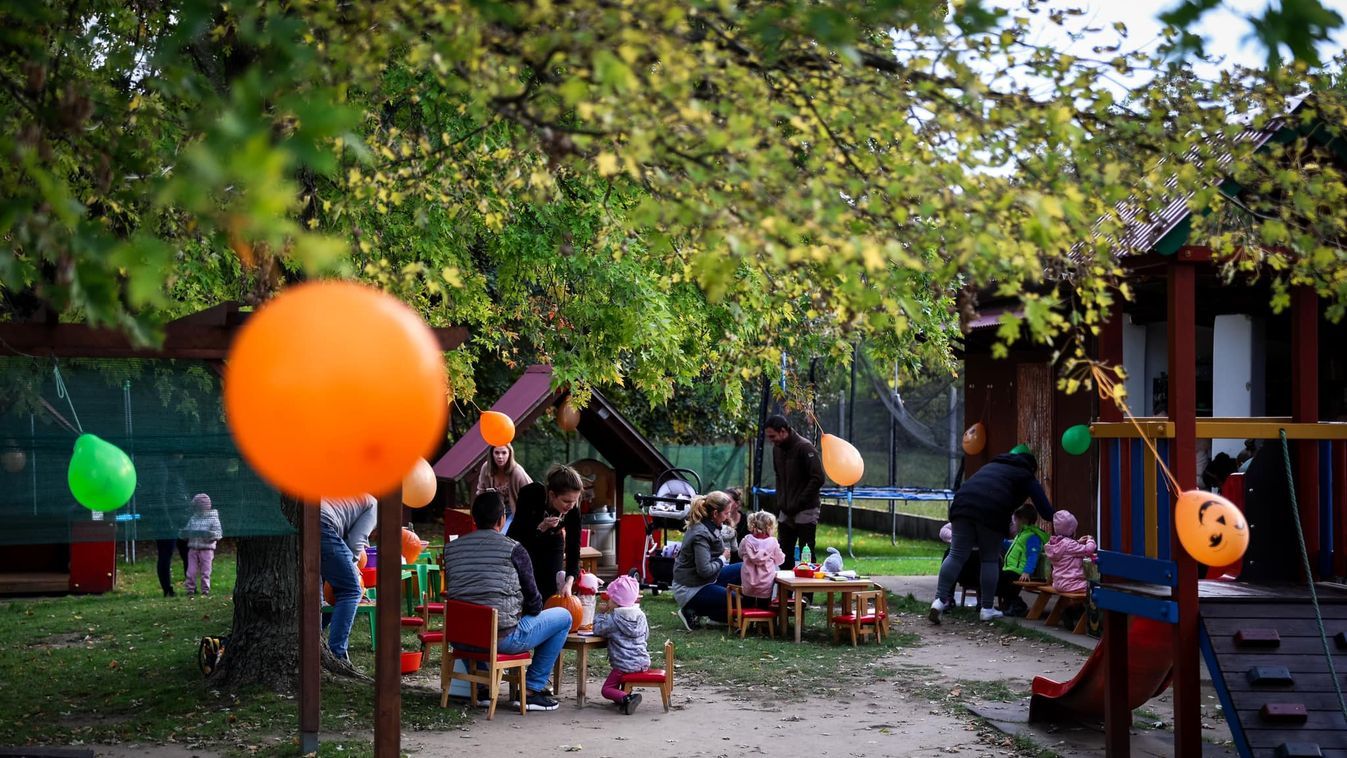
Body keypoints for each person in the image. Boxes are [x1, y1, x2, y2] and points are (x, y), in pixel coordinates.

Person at [444, 490, 569, 712]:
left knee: (480, 617)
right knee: (564, 616)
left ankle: (482, 688)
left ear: (474, 518)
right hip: (501, 639)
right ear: (502, 519)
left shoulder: (451, 549)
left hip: (461, 637)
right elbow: (534, 601)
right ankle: (531, 689)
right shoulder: (514, 548)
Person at [930, 449, 1054, 624]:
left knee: (956, 555)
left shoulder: (992, 465)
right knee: (989, 559)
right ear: (1031, 467)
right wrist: (1059, 517)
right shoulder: (1025, 475)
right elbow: (1046, 511)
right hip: (991, 512)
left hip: (961, 505)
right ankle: (987, 608)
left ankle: (939, 600)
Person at [508, 464, 584, 599]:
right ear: (552, 495)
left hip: (553, 542)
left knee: (550, 588)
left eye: (574, 501)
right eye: (566, 501)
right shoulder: (530, 494)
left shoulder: (573, 508)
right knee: (528, 586)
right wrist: (540, 528)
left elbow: (574, 546)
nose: (571, 506)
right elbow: (515, 535)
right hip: (526, 542)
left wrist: (569, 581)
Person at [671, 490, 743, 630]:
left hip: (706, 579)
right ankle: (690, 609)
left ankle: (718, 616)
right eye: (726, 513)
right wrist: (723, 558)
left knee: (744, 568)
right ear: (715, 513)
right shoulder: (700, 534)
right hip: (691, 588)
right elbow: (704, 570)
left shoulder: (710, 524)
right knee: (737, 600)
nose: (728, 516)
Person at [319, 494, 377, 664]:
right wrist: (353, 572)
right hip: (323, 525)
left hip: (303, 522)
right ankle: (337, 656)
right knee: (350, 590)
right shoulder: (374, 504)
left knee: (321, 598)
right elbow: (355, 543)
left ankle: (311, 645)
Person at [764, 415, 824, 568]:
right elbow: (778, 476)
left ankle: (807, 591)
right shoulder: (777, 450)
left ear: (783, 431)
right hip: (786, 509)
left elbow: (818, 478)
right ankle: (786, 592)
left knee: (806, 552)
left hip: (805, 509)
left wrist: (800, 501)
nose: (771, 440)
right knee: (783, 553)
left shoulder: (805, 447)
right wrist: (781, 501)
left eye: (773, 436)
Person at [593, 574, 650, 715]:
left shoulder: (613, 619)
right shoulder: (640, 615)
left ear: (616, 601)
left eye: (611, 598)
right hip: (642, 661)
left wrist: (601, 614)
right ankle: (622, 699)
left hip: (623, 664)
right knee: (617, 682)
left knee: (606, 689)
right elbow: (646, 635)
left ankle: (627, 698)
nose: (609, 601)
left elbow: (598, 630)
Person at [997, 503, 1049, 616]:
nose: (1014, 523)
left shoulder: (1032, 536)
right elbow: (1013, 548)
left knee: (1007, 586)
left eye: (1016, 520)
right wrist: (1000, 542)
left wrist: (1027, 571)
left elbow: (1033, 555)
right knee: (1004, 585)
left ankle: (1018, 606)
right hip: (1011, 568)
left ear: (1024, 520)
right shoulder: (1022, 534)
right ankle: (1011, 605)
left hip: (1018, 571)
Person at [153, 457, 191, 597]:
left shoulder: (177, 472)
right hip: (167, 521)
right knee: (166, 555)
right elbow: (160, 496)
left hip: (181, 519)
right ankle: (167, 589)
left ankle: (190, 587)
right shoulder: (162, 471)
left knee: (187, 554)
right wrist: (167, 519)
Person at [738, 510, 785, 609]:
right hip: (766, 582)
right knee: (764, 606)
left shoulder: (746, 540)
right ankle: (764, 623)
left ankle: (747, 622)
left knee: (747, 604)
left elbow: (740, 554)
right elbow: (780, 560)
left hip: (748, 581)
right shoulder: (773, 542)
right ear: (769, 528)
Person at [474, 444, 532, 522]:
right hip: (493, 511)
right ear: (492, 454)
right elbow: (481, 493)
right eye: (497, 453)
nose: (500, 456)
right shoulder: (486, 468)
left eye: (504, 453)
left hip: (514, 511)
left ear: (510, 454)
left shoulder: (517, 472)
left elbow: (532, 494)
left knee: (503, 533)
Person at [1045, 510, 1096, 595]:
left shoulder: (1054, 544)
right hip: (1072, 584)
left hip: (1057, 583)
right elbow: (1088, 550)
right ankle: (1083, 608)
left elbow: (1066, 549)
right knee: (1093, 587)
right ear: (1072, 531)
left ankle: (1073, 607)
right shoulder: (1070, 545)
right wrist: (1091, 540)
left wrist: (1077, 542)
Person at [180, 493, 223, 596]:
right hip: (193, 549)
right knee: (190, 571)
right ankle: (190, 590)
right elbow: (186, 531)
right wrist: (184, 533)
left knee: (205, 572)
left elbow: (218, 533)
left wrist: (209, 535)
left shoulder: (213, 519)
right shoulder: (193, 518)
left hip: (207, 550)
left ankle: (205, 591)